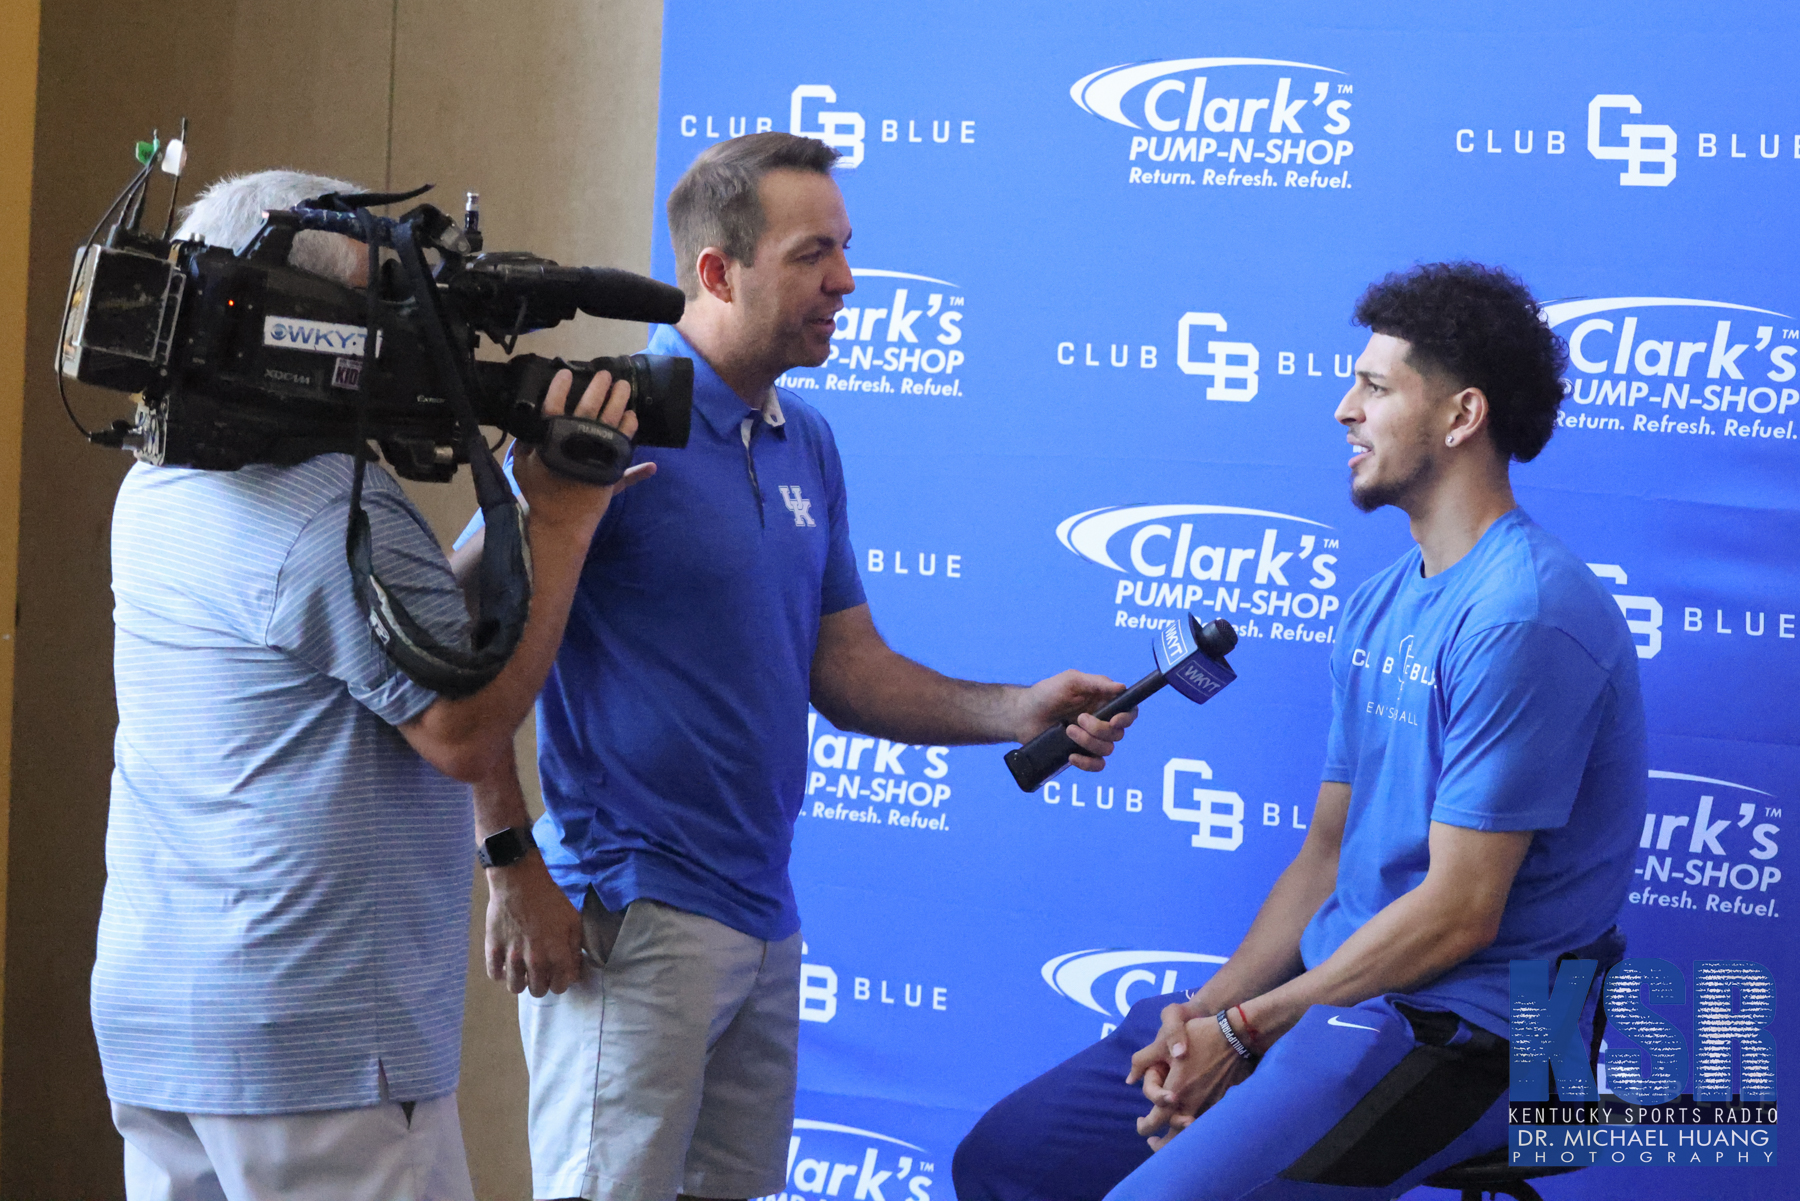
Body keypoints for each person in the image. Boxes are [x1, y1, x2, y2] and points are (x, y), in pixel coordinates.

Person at [452, 131, 1134, 1201]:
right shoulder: (602, 418)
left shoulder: (805, 437)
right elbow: (464, 629)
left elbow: (846, 665)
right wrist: (507, 860)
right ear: (717, 272)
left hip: (764, 918)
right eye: (815, 253)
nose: (848, 280)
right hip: (631, 915)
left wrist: (1020, 708)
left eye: (847, 248)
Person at [952, 262, 1647, 1201]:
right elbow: (1326, 855)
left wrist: (1247, 1033)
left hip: (1504, 1041)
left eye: (1374, 386)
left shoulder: (1525, 614)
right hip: (1342, 1002)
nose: (1342, 410)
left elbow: (1460, 909)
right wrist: (1210, 1013)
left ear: (1462, 416)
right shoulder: (1379, 605)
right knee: (1009, 1164)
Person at [91, 170, 651, 1201]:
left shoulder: (159, 480)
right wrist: (568, 522)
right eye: (374, 304)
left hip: (166, 1025)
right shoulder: (329, 511)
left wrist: (525, 506)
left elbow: (382, 632)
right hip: (318, 1043)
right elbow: (460, 725)